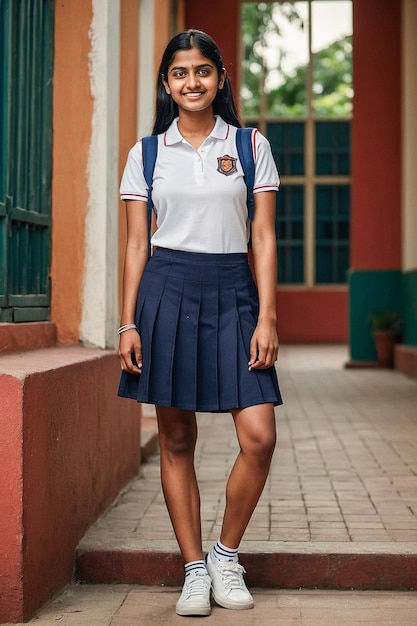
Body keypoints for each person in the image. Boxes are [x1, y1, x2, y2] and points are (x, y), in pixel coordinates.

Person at [117, 29, 282, 617]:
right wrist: (128, 324)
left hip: (236, 294)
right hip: (168, 293)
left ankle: (224, 555)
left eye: (203, 71)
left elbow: (261, 236)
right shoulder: (147, 154)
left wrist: (267, 314)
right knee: (177, 436)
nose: (193, 82)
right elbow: (138, 245)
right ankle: (193, 568)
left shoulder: (249, 143)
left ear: (220, 79)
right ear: (167, 83)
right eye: (180, 73)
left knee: (258, 437)